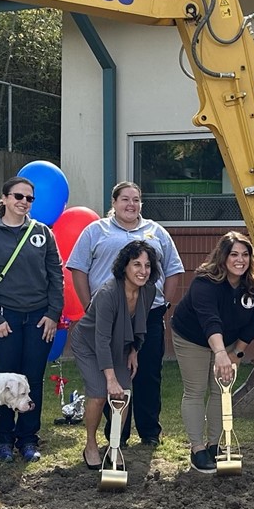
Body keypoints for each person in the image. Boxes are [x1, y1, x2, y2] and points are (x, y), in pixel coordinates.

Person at [66, 181, 184, 447]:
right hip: (108, 314)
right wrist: (89, 307)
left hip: (147, 315)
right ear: (114, 203)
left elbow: (174, 269)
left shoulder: (156, 232)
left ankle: (149, 432)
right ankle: (118, 433)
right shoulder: (96, 231)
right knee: (115, 374)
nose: (131, 205)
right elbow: (78, 269)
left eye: (136, 200)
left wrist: (162, 303)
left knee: (148, 374)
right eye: (125, 199)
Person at [0, 176, 63, 463]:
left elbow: (56, 276)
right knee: (4, 382)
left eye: (29, 198)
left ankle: (28, 439)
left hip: (39, 318)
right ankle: (2, 439)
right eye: (18, 197)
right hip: (4, 319)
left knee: (32, 380)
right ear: (4, 199)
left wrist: (52, 314)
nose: (23, 202)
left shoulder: (43, 233)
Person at [170, 232, 254, 473]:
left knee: (220, 390)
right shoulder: (205, 281)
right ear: (222, 257)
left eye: (245, 255)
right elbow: (209, 320)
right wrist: (221, 353)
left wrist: (236, 354)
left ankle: (214, 445)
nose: (240, 260)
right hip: (192, 336)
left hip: (230, 341)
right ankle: (197, 448)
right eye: (234, 254)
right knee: (196, 389)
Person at [72, 240, 159, 470]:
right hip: (89, 345)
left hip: (120, 346)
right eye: (136, 264)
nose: (143, 271)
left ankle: (114, 446)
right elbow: (101, 340)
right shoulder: (108, 293)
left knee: (123, 395)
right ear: (124, 267)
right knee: (100, 393)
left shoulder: (148, 290)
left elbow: (139, 323)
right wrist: (110, 379)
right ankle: (90, 444)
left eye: (147, 265)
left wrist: (134, 351)